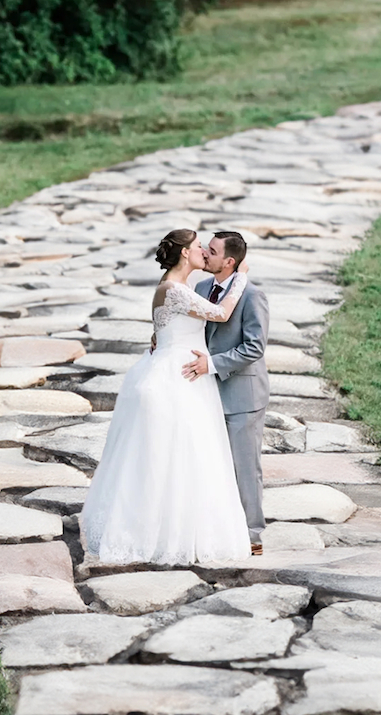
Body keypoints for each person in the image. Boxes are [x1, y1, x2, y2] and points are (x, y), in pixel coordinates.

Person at [79, 229, 251, 565]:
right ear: (185, 253)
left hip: (182, 372)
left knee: (186, 459)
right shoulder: (173, 288)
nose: (203, 250)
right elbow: (221, 314)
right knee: (170, 460)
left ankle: (178, 530)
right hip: (177, 379)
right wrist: (240, 278)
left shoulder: (179, 287)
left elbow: (167, 328)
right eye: (198, 246)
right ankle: (158, 536)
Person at [181, 231, 270, 556]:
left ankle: (252, 534)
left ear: (229, 262)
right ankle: (218, 528)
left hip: (242, 396)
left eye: (212, 250)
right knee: (211, 464)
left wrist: (213, 364)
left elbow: (254, 347)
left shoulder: (252, 296)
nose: (205, 252)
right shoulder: (203, 288)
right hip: (208, 393)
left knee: (244, 466)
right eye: (205, 246)